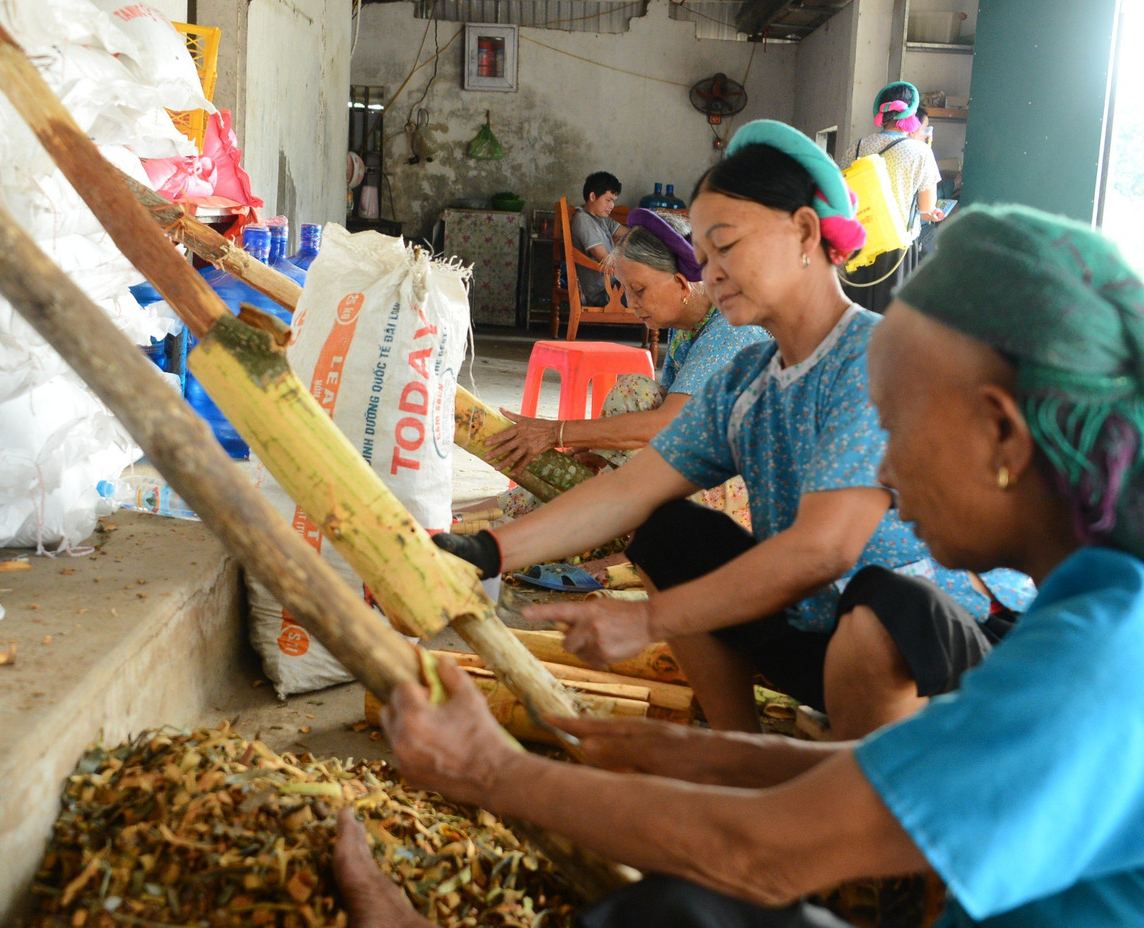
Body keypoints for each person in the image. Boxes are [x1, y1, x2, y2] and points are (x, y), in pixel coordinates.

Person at [338, 203, 1144, 928]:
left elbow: (760, 856)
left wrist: (490, 771)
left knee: (700, 901)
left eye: (900, 429)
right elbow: (921, 764)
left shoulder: (1112, 659)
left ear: (1001, 432)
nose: (882, 466)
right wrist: (700, 753)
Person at [437, 120, 1031, 739]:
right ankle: (735, 745)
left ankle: (864, 786)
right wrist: (484, 551)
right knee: (670, 534)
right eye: (704, 254)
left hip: (946, 642)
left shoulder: (876, 358)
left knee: (881, 604)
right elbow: (629, 491)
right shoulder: (747, 378)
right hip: (822, 629)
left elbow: (823, 550)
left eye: (727, 247)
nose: (710, 271)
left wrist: (645, 621)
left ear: (804, 232)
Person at [485, 209, 770, 525]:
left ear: (680, 283)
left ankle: (567, 530)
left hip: (747, 494)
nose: (631, 303)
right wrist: (603, 449)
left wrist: (558, 432)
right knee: (636, 391)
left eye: (640, 290)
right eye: (626, 290)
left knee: (631, 450)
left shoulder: (734, 329)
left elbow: (669, 425)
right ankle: (515, 515)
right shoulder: (689, 322)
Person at [840, 81, 944, 312]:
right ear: (911, 114)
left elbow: (842, 191)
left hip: (859, 243)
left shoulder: (857, 147)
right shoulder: (922, 152)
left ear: (881, 112)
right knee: (887, 318)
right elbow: (927, 206)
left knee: (854, 313)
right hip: (897, 248)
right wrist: (931, 213)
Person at [570, 171, 627, 306]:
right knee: (651, 291)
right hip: (603, 293)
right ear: (592, 196)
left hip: (613, 285)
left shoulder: (601, 218)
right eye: (608, 200)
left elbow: (628, 234)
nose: (612, 206)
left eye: (614, 201)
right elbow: (604, 259)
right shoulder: (583, 220)